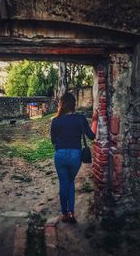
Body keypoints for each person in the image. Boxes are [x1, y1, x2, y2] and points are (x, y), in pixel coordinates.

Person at [51, 92, 98, 223]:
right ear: (73, 104)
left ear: (61, 104)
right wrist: (95, 120)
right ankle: (71, 213)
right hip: (75, 155)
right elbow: (92, 136)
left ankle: (64, 214)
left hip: (60, 155)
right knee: (71, 182)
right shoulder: (81, 118)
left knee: (63, 183)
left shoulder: (55, 120)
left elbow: (53, 141)